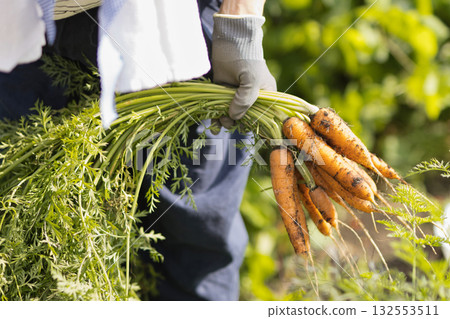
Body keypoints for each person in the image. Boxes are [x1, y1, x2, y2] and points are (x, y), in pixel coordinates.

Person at [0, 0, 276, 300]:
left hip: (170, 28)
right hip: (21, 31)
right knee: (28, 237)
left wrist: (240, 21)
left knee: (194, 241)